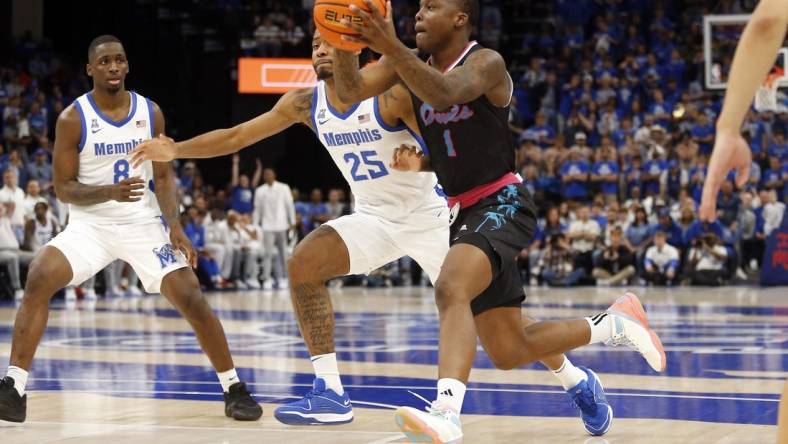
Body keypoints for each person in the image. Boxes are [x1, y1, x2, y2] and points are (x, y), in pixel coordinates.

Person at [129, 29, 612, 432]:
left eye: (329, 41)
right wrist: (177, 150)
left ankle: (574, 379)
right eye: (314, 43)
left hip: (432, 219)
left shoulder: (393, 94)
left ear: (354, 51)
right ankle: (330, 393)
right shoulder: (303, 103)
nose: (319, 49)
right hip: (375, 219)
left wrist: (418, 164)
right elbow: (237, 136)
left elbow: (449, 152)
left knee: (500, 330)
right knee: (303, 263)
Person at [333, 1, 665, 441]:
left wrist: (388, 44)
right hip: (463, 209)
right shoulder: (407, 66)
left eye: (432, 6)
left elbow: (446, 93)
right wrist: (340, 38)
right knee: (508, 349)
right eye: (417, 6)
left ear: (460, 18)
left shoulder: (486, 62)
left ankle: (447, 414)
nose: (418, 13)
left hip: (503, 199)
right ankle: (614, 325)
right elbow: (349, 89)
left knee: (451, 286)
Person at [0, 35, 261, 424]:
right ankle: (14, 387)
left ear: (127, 65)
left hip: (143, 224)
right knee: (39, 275)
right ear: (90, 69)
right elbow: (63, 187)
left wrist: (175, 224)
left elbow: (164, 175)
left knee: (192, 297)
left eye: (119, 60)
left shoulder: (149, 112)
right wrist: (110, 191)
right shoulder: (73, 118)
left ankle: (233, 387)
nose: (113, 67)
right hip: (90, 225)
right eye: (104, 61)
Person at [253, 167, 295, 290]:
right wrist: (255, 225)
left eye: (269, 174)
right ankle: (267, 279)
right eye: (265, 175)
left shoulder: (284, 187)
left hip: (282, 225)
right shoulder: (260, 191)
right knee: (267, 253)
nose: (267, 176)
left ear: (274, 175)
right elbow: (257, 209)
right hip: (267, 226)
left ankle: (285, 278)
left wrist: (291, 221)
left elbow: (289, 205)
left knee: (283, 253)